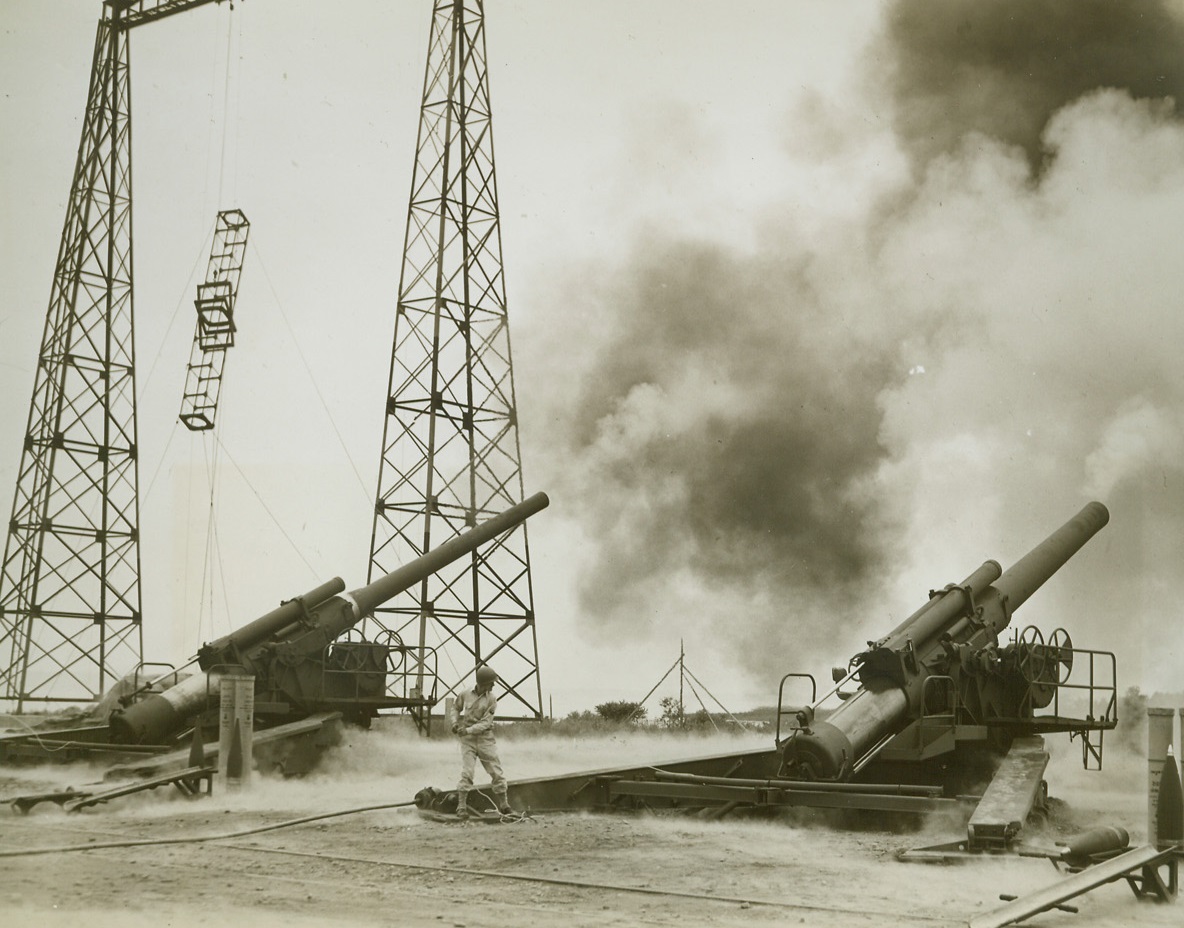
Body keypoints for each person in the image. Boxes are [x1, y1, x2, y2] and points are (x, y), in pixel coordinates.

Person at [449, 663, 513, 819]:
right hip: (468, 740)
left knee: (496, 772)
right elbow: (455, 708)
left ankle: (504, 805)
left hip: (485, 738)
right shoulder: (465, 694)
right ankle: (461, 807)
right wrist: (454, 723)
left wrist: (468, 730)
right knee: (467, 772)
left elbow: (485, 722)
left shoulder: (492, 699)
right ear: (483, 683)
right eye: (491, 682)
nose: (493, 685)